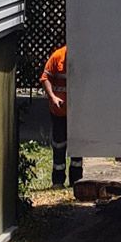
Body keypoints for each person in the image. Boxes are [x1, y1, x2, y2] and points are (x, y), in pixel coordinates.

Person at [39, 42, 81, 191]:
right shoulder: (57, 56)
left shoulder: (84, 58)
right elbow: (45, 78)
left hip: (77, 113)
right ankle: (58, 181)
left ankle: (77, 180)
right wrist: (53, 97)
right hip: (59, 111)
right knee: (59, 144)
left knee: (78, 146)